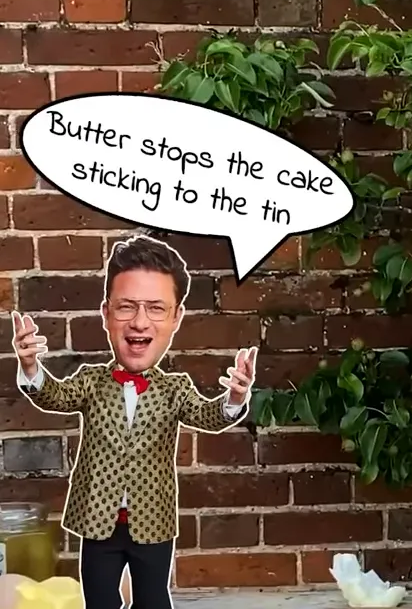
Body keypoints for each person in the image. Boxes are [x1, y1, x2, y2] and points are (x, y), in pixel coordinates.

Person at [11, 235, 256, 609]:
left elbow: (207, 415)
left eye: (156, 308)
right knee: (99, 598)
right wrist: (31, 367)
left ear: (177, 318)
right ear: (106, 313)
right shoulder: (91, 381)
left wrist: (234, 398)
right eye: (126, 307)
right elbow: (55, 396)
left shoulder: (175, 389)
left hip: (152, 519)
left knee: (153, 598)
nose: (140, 321)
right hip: (98, 519)